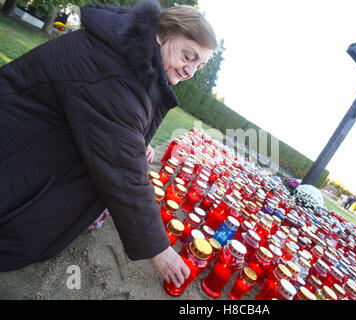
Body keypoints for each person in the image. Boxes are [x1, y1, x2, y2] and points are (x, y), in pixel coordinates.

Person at [0, 0, 217, 290]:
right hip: (16, 147)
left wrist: (134, 141)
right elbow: (124, 173)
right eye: (188, 56)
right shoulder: (118, 74)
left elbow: (110, 126)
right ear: (162, 33)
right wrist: (159, 250)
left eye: (199, 66)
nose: (190, 71)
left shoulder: (128, 54)